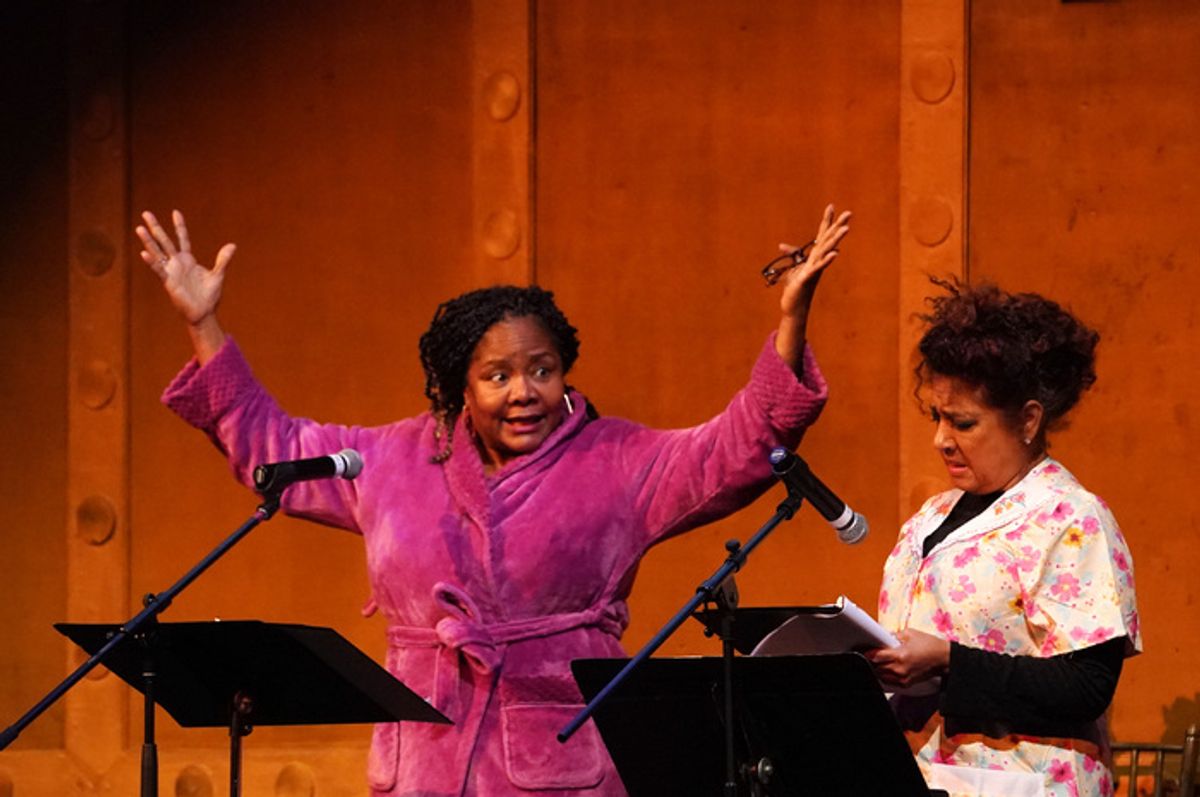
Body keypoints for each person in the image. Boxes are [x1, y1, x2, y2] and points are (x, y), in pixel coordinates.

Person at [135, 205, 851, 796]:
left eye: (541, 370)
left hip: (557, 766)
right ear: (460, 388)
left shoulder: (617, 460)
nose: (523, 393)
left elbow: (739, 445)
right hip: (423, 763)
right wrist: (204, 326)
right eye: (498, 375)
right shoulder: (389, 459)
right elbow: (271, 448)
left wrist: (792, 320)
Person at [865, 280, 1141, 797]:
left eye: (963, 423)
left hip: (1025, 783)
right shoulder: (931, 516)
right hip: (928, 777)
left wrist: (949, 660)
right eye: (937, 418)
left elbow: (1087, 686)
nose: (941, 439)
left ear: (1029, 420)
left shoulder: (1069, 518)